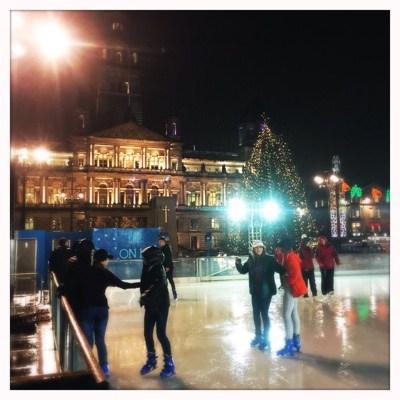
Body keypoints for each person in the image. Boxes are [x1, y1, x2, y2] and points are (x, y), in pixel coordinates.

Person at [76, 249, 139, 378]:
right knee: (100, 339)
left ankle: (88, 368)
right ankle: (104, 368)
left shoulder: (84, 272)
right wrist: (143, 284)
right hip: (101, 310)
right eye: (107, 259)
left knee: (87, 341)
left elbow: (74, 288)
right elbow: (124, 285)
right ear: (103, 260)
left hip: (87, 309)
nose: (108, 261)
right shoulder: (105, 273)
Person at [235, 240, 285, 351]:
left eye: (260, 247)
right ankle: (258, 336)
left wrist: (288, 266)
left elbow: (281, 269)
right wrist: (238, 263)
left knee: (264, 313)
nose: (258, 249)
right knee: (256, 314)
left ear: (263, 248)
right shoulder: (251, 260)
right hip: (255, 292)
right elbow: (243, 270)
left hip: (266, 292)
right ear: (253, 249)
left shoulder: (269, 259)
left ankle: (266, 338)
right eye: (256, 248)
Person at [137, 246, 175, 378]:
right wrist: (143, 296)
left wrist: (145, 296)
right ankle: (152, 360)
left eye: (145, 257)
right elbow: (145, 284)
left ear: (152, 258)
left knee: (160, 334)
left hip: (161, 306)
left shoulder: (159, 269)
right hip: (150, 305)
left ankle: (169, 363)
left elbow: (157, 286)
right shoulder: (147, 268)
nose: (143, 259)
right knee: (147, 333)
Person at [277, 238, 308, 357]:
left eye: (280, 247)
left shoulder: (291, 257)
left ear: (285, 247)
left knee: (286, 315)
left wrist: (286, 277)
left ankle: (289, 343)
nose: (278, 249)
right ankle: (296, 340)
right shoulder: (289, 255)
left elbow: (294, 274)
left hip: (292, 288)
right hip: (294, 287)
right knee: (294, 313)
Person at [159, 235, 178, 300]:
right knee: (164, 281)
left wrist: (167, 266)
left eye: (161, 242)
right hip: (164, 268)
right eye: (159, 242)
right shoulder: (161, 248)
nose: (160, 243)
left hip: (168, 268)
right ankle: (165, 294)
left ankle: (174, 292)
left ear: (164, 242)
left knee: (170, 280)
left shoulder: (166, 248)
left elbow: (168, 258)